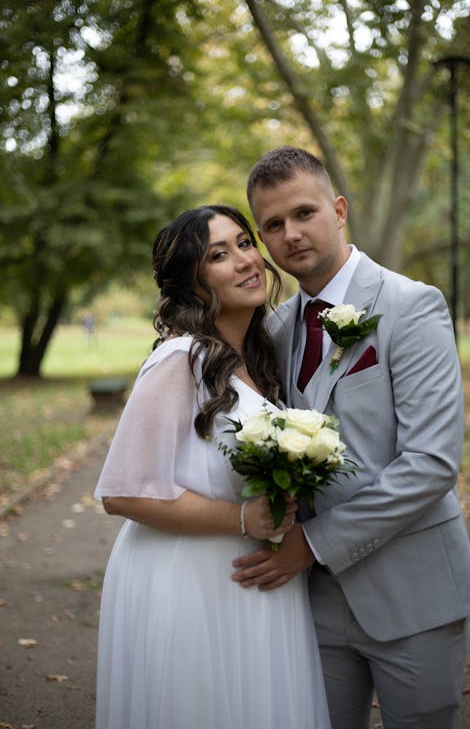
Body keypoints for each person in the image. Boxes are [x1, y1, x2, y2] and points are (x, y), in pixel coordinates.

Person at [231, 146, 470, 729]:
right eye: (273, 225)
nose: (291, 234)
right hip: (312, 603)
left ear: (339, 209)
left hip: (412, 592)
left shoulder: (411, 306)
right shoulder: (273, 330)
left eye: (304, 213)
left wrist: (313, 544)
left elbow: (430, 463)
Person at [94, 204, 332, 729]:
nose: (246, 260)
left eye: (245, 243)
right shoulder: (181, 358)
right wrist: (243, 520)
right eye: (219, 255)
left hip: (252, 579)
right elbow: (123, 493)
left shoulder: (260, 358)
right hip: (187, 583)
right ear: (193, 283)